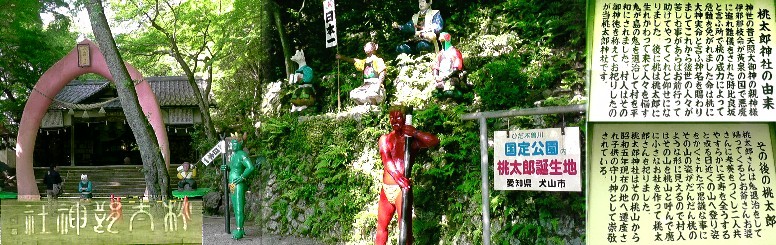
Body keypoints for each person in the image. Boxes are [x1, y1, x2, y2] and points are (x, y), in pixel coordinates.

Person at [376, 106, 439, 245]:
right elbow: (386, 160)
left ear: (405, 118)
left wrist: (416, 132)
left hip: (401, 190)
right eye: (392, 117)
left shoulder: (411, 141)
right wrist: (398, 177)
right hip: (387, 188)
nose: (394, 120)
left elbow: (434, 141)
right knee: (381, 227)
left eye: (398, 117)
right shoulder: (384, 139)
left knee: (404, 228)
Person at [220, 133, 255, 240]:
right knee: (235, 206)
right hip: (232, 183)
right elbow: (233, 168)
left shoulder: (242, 154)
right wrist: (225, 167)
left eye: (235, 143)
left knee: (239, 206)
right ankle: (241, 227)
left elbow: (250, 167)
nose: (233, 145)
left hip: (238, 183)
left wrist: (242, 177)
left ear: (240, 144)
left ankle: (239, 230)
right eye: (232, 143)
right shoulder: (234, 155)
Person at [431, 32, 465, 100]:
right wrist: (436, 76)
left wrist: (447, 77)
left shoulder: (455, 52)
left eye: (443, 41)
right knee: (437, 93)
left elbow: (457, 67)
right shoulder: (440, 54)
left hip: (452, 77)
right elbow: (435, 66)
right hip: (441, 78)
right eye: (441, 41)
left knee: (454, 91)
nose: (442, 43)